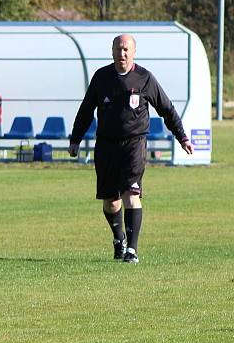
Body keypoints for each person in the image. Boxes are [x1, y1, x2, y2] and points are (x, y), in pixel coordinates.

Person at [68, 34, 193, 264]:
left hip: (134, 144)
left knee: (130, 194)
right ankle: (119, 240)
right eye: (118, 49)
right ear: (112, 51)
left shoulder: (145, 78)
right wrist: (75, 139)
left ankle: (132, 251)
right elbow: (86, 110)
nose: (121, 54)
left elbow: (167, 108)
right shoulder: (101, 77)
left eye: (126, 49)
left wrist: (182, 136)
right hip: (105, 145)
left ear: (133, 52)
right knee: (110, 201)